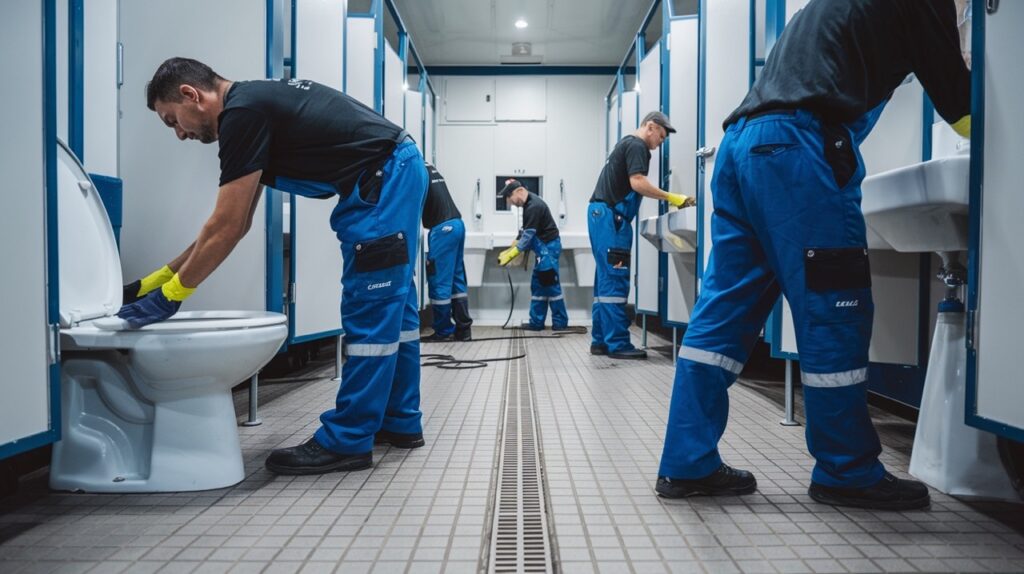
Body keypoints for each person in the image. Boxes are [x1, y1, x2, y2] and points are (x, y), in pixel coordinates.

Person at [656, 0, 971, 510]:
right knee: (834, 310)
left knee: (721, 316)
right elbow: (960, 106)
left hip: (740, 147)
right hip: (799, 149)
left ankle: (686, 463)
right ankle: (846, 471)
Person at [119, 57, 429, 476]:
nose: (179, 134)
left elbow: (225, 227)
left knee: (372, 308)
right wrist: (156, 281)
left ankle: (348, 439)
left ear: (192, 95)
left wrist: (172, 297)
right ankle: (399, 419)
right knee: (396, 306)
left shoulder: (242, 114)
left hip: (384, 177)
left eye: (173, 120)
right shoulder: (254, 104)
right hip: (395, 170)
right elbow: (236, 222)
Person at [588, 111, 694, 360]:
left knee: (605, 281)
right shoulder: (637, 146)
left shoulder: (625, 143)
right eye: (662, 135)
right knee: (615, 278)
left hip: (601, 215)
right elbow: (637, 182)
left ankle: (601, 340)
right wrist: (673, 197)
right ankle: (618, 344)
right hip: (611, 218)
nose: (661, 142)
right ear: (651, 127)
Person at [496, 180, 568, 331]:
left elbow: (528, 236)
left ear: (519, 191)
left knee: (551, 284)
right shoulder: (529, 205)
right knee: (538, 285)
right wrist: (512, 248)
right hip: (543, 249)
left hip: (548, 248)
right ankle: (536, 322)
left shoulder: (533, 206)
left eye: (511, 199)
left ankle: (560, 323)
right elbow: (524, 231)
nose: (512, 204)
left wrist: (512, 254)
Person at [420, 162, 473, 342]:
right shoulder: (428, 167)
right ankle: (463, 329)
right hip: (457, 224)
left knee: (439, 280)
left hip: (443, 228)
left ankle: (443, 331)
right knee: (457, 279)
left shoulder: (412, 169)